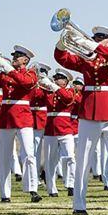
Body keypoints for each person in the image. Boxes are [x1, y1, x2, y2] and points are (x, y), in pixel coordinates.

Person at [55, 25, 108, 215]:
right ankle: (79, 205)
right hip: (90, 113)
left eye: (99, 38)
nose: (95, 40)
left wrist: (94, 46)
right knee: (83, 160)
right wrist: (61, 43)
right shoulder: (87, 59)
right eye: (94, 38)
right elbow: (63, 58)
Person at [0, 45, 42, 203]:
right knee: (4, 157)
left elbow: (25, 83)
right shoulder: (4, 75)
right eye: (14, 55)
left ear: (26, 60)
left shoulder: (31, 73)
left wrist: (8, 68)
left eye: (18, 56)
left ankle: (32, 189)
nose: (14, 57)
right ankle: (5, 194)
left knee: (28, 154)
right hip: (6, 119)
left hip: (23, 118)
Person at [41, 68, 77, 197]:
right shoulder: (49, 91)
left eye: (59, 78)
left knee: (70, 157)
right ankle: (52, 189)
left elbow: (67, 99)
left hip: (65, 128)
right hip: (50, 129)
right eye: (55, 78)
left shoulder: (70, 91)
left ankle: (71, 184)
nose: (56, 80)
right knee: (51, 161)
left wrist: (52, 85)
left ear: (66, 81)